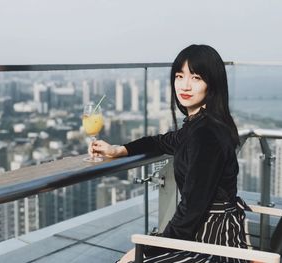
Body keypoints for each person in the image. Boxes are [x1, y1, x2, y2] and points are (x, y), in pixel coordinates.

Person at [89, 44, 249, 263]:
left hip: (212, 243)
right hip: (210, 232)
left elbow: (191, 208)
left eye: (196, 78)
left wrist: (150, 249)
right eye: (179, 76)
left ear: (212, 84)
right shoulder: (201, 125)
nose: (184, 85)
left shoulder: (206, 135)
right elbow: (161, 142)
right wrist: (119, 150)